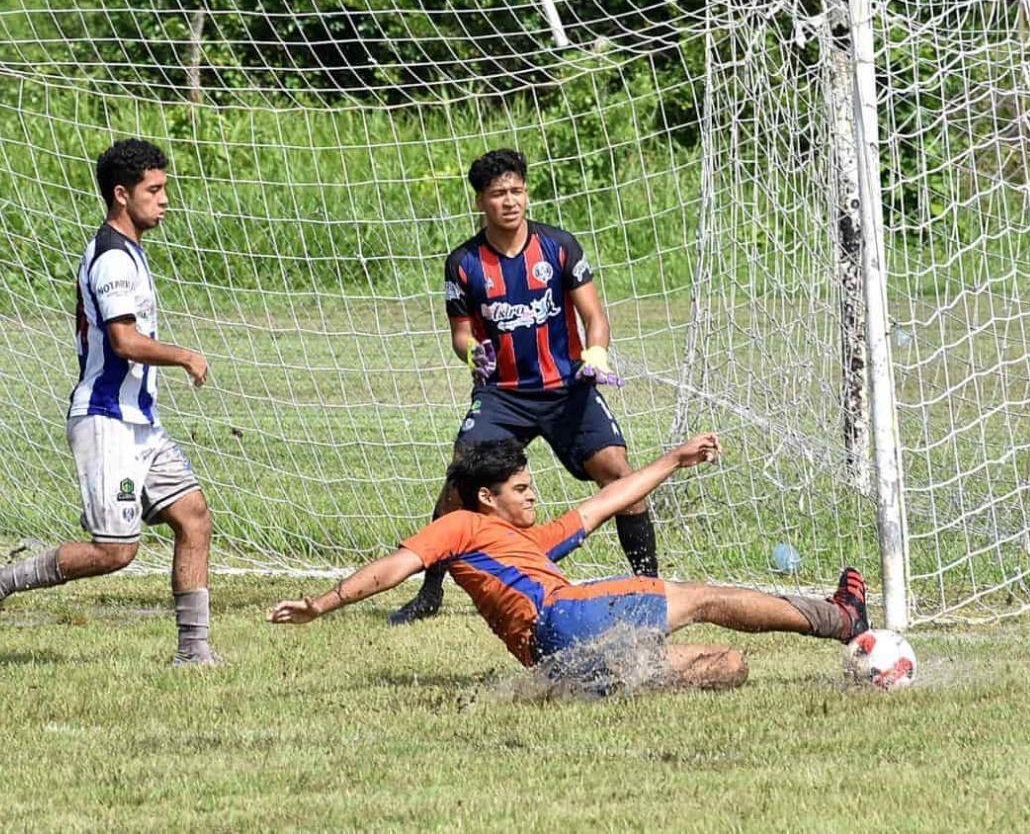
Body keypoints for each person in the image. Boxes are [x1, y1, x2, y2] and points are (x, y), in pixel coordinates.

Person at [268, 434, 869, 691]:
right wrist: (324, 603)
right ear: (487, 497)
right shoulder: (462, 526)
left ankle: (598, 687)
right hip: (561, 619)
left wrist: (672, 459)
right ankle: (840, 620)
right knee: (701, 597)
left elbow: (608, 500)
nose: (533, 496)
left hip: (553, 656)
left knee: (728, 665)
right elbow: (394, 567)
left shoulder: (527, 543)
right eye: (522, 489)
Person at [390, 148, 657, 625]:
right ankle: (429, 592)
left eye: (516, 191)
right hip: (502, 396)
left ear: (526, 194)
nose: (509, 201)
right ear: (480, 202)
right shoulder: (464, 264)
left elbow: (594, 316)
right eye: (497, 194)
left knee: (623, 477)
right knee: (460, 483)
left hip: (566, 390)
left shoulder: (559, 247)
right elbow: (460, 335)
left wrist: (596, 353)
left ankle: (650, 584)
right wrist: (474, 352)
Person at [0, 139, 219, 666]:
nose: (165, 200)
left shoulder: (130, 252)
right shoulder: (111, 260)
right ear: (122, 195)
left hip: (140, 423)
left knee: (194, 518)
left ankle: (195, 654)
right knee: (115, 552)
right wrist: (184, 355)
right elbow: (123, 341)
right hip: (107, 422)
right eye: (155, 189)